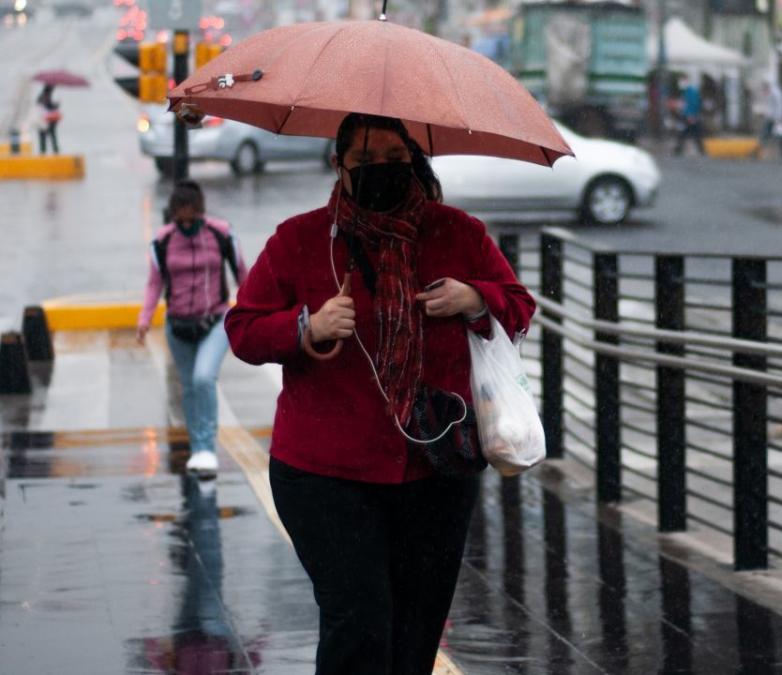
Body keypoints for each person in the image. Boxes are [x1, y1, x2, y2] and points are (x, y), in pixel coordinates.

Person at [224, 112, 535, 674]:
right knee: (359, 620)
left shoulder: (457, 232)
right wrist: (306, 327)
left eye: (393, 161)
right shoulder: (300, 239)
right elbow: (243, 329)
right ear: (338, 166)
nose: (380, 173)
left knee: (416, 627)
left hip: (435, 468)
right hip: (324, 473)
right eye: (365, 163)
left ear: (413, 161)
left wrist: (475, 296)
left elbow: (519, 306)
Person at [137, 180, 248, 477]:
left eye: (192, 217)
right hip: (178, 326)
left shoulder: (221, 233)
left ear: (200, 211)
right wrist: (144, 319)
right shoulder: (162, 241)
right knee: (188, 388)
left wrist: (254, 310)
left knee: (203, 378)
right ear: (172, 214)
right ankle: (197, 447)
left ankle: (207, 449)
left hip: (215, 321)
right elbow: (154, 284)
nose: (187, 223)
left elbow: (242, 275)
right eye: (180, 218)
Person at [755, 79, 782, 160]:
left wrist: (779, 118)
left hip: (777, 118)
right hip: (771, 117)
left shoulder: (776, 93)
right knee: (767, 133)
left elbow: (780, 106)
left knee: (779, 134)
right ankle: (759, 150)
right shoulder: (771, 92)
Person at [673, 74, 706, 157]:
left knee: (690, 133)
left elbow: (694, 104)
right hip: (687, 116)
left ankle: (679, 149)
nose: (680, 83)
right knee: (688, 133)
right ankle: (679, 149)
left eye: (681, 81)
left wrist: (691, 115)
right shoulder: (687, 91)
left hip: (690, 116)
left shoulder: (691, 91)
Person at [34, 85, 61, 155]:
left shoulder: (41, 97)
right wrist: (56, 105)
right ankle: (55, 152)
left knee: (44, 139)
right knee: (52, 137)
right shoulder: (45, 97)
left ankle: (43, 153)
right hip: (47, 122)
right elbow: (49, 107)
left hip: (43, 122)